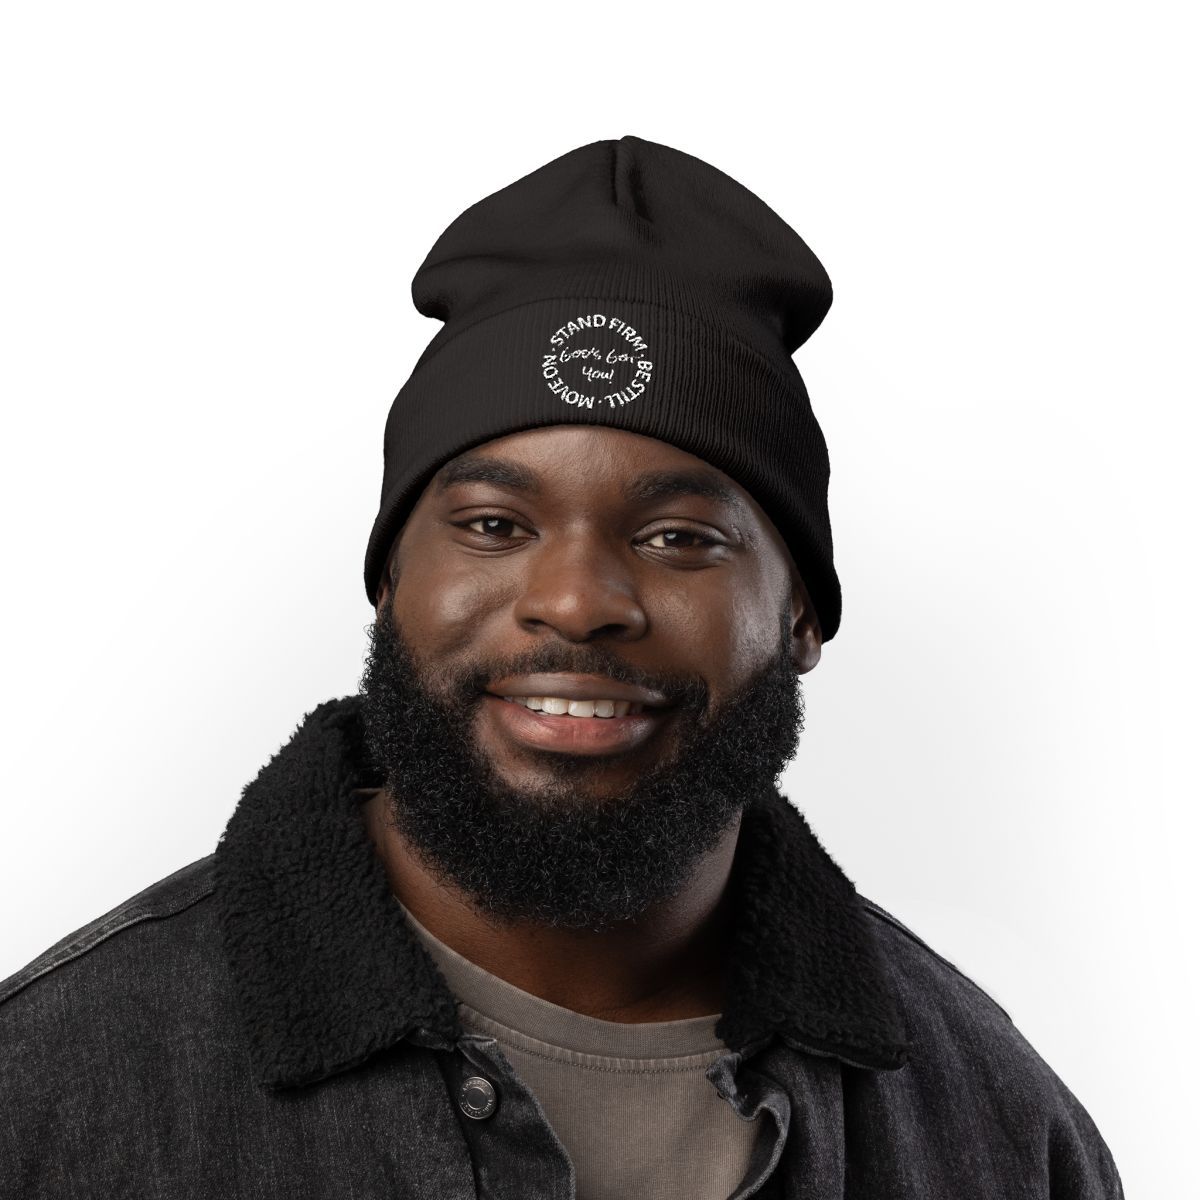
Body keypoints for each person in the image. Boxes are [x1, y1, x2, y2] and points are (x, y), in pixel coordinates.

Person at [0, 135, 1124, 1199]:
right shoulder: (49, 1093)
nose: (577, 602)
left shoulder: (996, 1128)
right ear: (391, 581)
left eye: (680, 537)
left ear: (801, 620)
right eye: (494, 525)